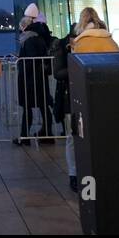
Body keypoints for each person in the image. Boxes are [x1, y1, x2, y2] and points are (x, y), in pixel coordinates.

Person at [16, 15, 53, 144]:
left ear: (24, 26)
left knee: (28, 108)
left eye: (21, 27)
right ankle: (47, 133)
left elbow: (31, 60)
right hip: (39, 78)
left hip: (30, 79)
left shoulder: (29, 39)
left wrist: (23, 69)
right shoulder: (38, 37)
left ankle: (25, 136)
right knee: (43, 106)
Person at [50, 27, 78, 192]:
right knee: (71, 137)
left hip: (77, 95)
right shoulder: (62, 46)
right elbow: (58, 72)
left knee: (73, 137)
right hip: (69, 96)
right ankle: (74, 174)